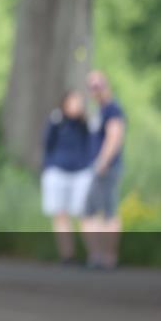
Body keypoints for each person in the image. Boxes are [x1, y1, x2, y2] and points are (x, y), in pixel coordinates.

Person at [40, 90, 94, 265]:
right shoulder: (57, 120)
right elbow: (47, 143)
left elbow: (92, 144)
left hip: (81, 172)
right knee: (61, 214)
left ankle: (95, 255)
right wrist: (49, 166)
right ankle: (67, 255)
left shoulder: (86, 122)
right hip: (58, 171)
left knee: (84, 213)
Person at [82, 70, 127, 270]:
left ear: (106, 85)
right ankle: (99, 256)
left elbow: (115, 136)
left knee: (106, 211)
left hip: (106, 167)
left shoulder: (112, 109)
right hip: (98, 167)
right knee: (92, 211)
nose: (95, 90)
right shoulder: (99, 110)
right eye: (91, 87)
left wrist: (103, 161)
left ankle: (107, 257)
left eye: (98, 86)